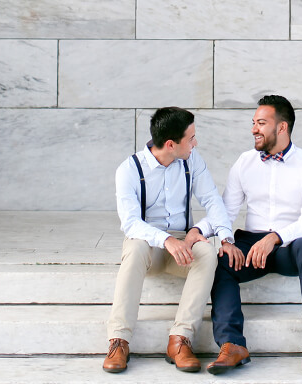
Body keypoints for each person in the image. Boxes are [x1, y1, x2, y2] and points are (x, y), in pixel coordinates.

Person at [103, 106, 242, 373]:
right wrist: (166, 240)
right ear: (171, 144)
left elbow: (212, 200)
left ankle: (180, 339)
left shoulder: (192, 160)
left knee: (206, 253)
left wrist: (224, 236)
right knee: (134, 249)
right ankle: (118, 340)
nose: (195, 143)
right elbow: (130, 223)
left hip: (183, 245)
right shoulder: (129, 169)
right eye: (191, 138)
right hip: (149, 245)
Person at [201, 95, 302, 374]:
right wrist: (197, 232)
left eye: (261, 123)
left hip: (289, 246)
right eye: (253, 123)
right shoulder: (245, 162)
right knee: (221, 260)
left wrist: (274, 237)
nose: (253, 129)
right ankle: (232, 344)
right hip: (251, 243)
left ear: (282, 127)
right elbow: (225, 210)